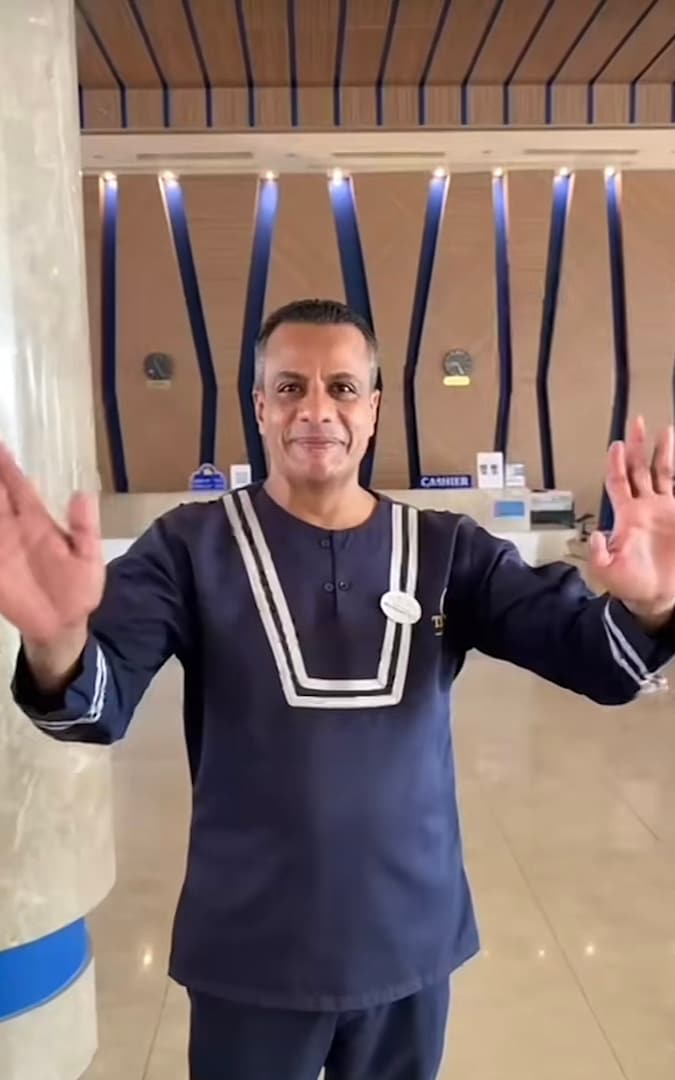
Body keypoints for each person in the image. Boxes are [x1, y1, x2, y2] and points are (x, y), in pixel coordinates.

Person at [3, 297, 675, 1080]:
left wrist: (651, 603)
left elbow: (595, 660)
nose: (316, 409)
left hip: (408, 938)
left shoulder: (447, 550)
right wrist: (56, 637)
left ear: (374, 407)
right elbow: (97, 702)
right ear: (260, 405)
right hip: (250, 949)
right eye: (290, 387)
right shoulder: (190, 547)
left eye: (343, 388)